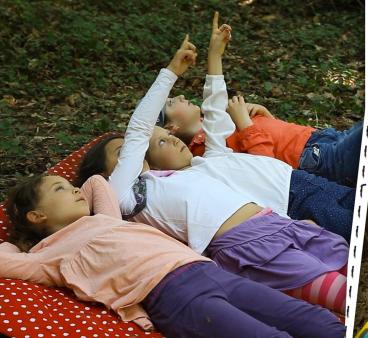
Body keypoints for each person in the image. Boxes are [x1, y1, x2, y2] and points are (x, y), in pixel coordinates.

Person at [77, 13, 349, 314]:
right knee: (344, 279)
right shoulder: (132, 193)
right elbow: (139, 131)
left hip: (291, 202)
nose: (171, 139)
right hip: (280, 216)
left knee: (356, 250)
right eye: (158, 143)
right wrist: (170, 73)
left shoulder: (204, 165)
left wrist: (214, 57)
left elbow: (215, 114)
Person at [1, 174, 345, 338]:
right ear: (36, 216)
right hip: (173, 296)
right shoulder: (50, 255)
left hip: (209, 271)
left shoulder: (103, 218)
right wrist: (17, 242)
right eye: (60, 189)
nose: (75, 189)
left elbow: (96, 182)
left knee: (311, 319)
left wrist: (70, 191)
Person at [159, 94, 362, 187]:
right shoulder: (205, 151)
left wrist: (265, 117)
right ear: (170, 127)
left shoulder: (216, 123)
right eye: (170, 102)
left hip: (320, 138)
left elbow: (272, 141)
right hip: (316, 159)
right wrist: (246, 124)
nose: (180, 96)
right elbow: (263, 170)